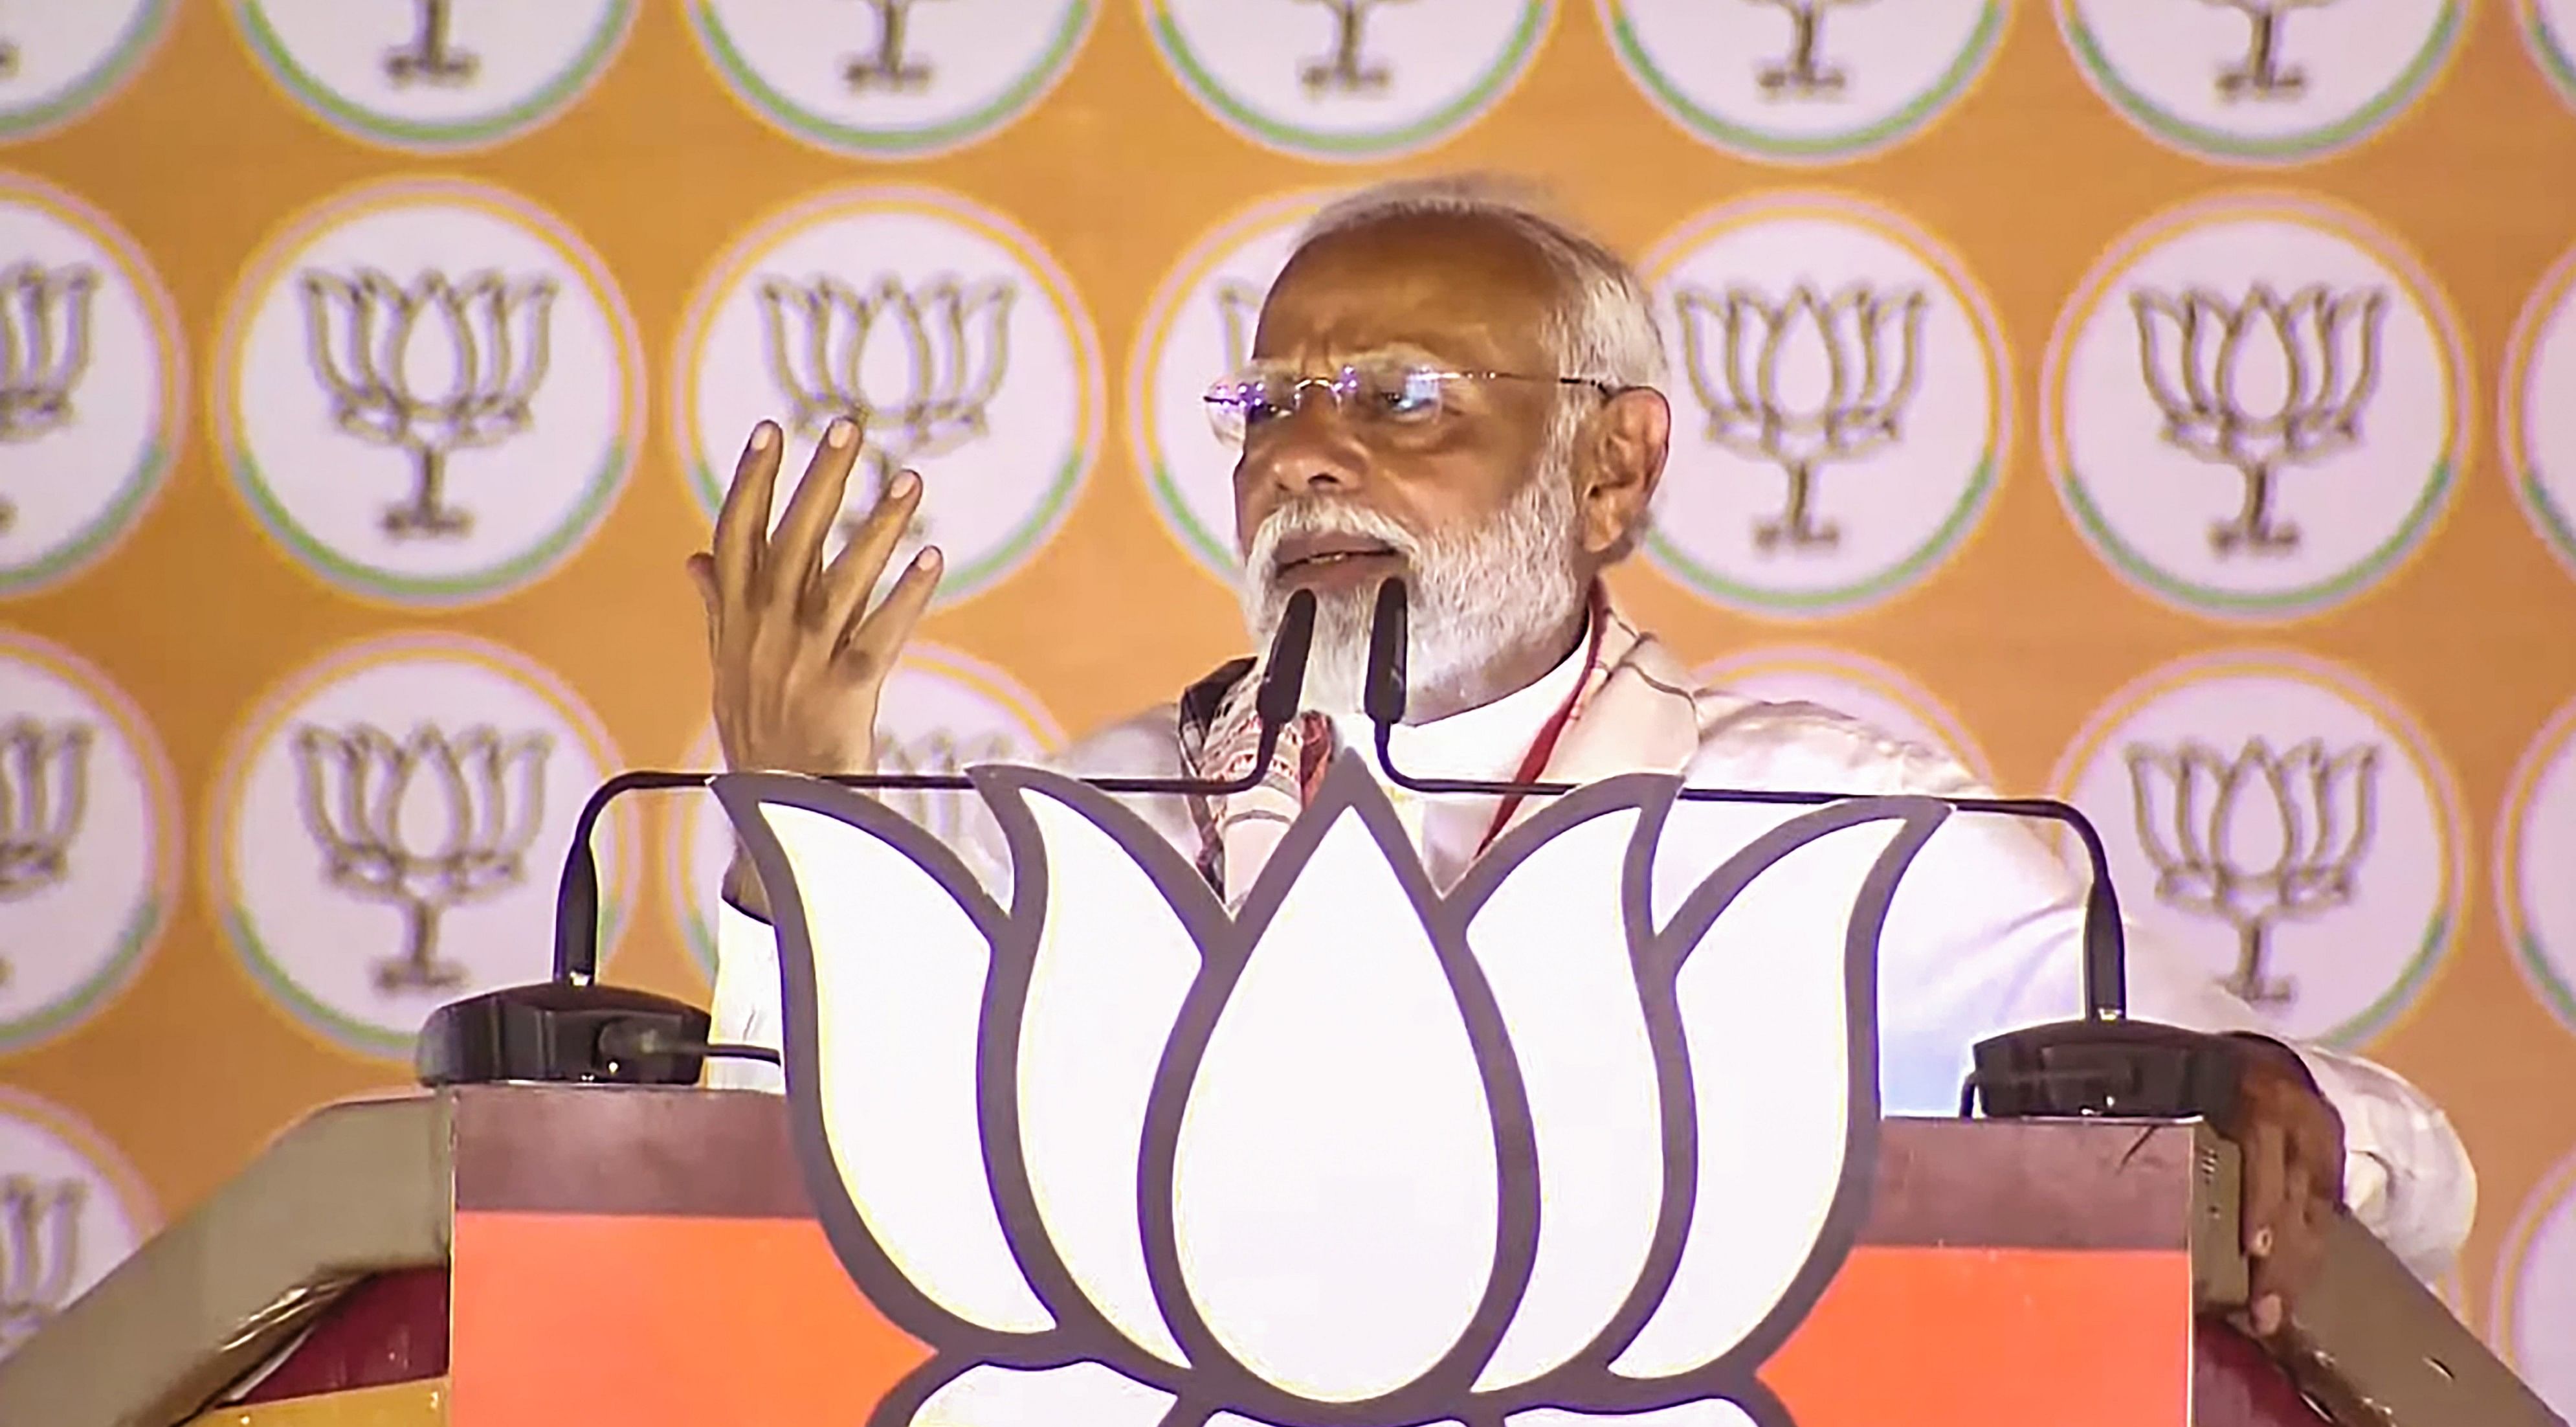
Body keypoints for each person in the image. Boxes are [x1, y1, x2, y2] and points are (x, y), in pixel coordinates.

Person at [685, 174, 2473, 1341]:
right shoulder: (1099, 821)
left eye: (1396, 400)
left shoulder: (1816, 833)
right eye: (1268, 404)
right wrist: (800, 853)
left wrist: (2262, 1104)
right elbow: (776, 1218)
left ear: (1610, 471)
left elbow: (2382, 1153)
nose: (1300, 459)